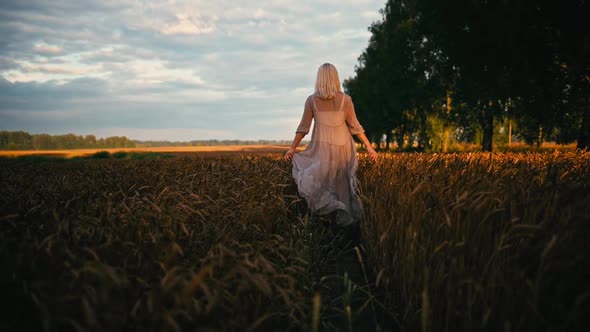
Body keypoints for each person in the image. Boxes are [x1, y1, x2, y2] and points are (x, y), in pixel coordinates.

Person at [285, 63, 377, 227]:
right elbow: (356, 127)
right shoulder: (346, 100)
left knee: (320, 183)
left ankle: (329, 228)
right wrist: (369, 147)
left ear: (319, 79)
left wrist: (292, 148)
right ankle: (343, 229)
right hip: (344, 148)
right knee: (342, 187)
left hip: (322, 150)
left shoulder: (312, 100)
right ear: (335, 78)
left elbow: (303, 129)